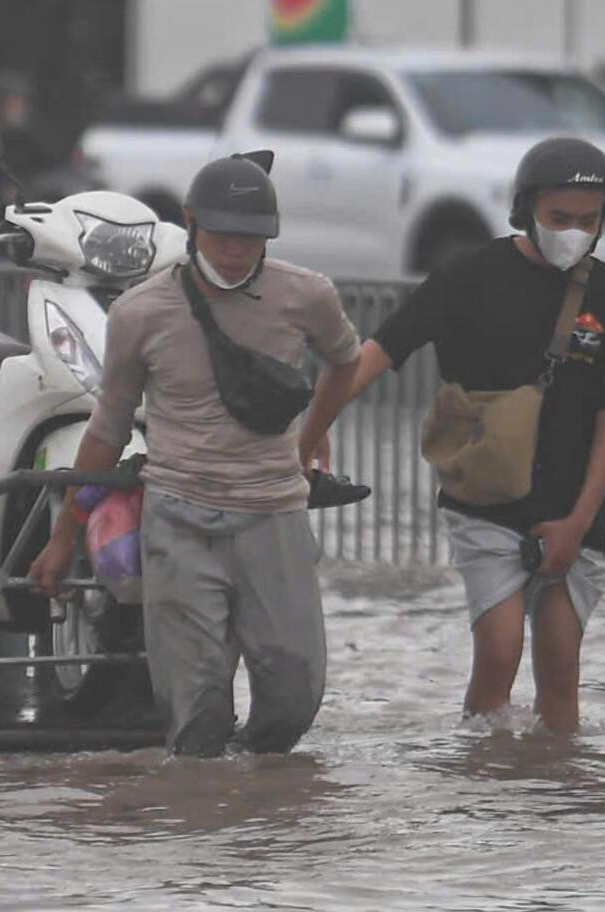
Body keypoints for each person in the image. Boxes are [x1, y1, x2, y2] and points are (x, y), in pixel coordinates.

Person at [299, 137, 605, 734]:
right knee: (498, 653)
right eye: (559, 218)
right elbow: (375, 354)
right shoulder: (469, 277)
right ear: (526, 210)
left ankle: (555, 798)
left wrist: (576, 524)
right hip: (485, 503)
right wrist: (314, 430)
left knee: (560, 666)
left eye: (587, 221)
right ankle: (483, 794)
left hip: (578, 509)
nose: (573, 232)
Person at [29, 155, 362, 757]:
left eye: (252, 236)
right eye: (222, 233)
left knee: (293, 696)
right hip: (179, 519)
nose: (236, 249)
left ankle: (255, 808)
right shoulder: (140, 313)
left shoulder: (307, 296)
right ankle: (203, 829)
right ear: (190, 224)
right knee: (195, 710)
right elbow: (106, 430)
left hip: (274, 516)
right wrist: (64, 535)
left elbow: (347, 361)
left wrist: (310, 439)